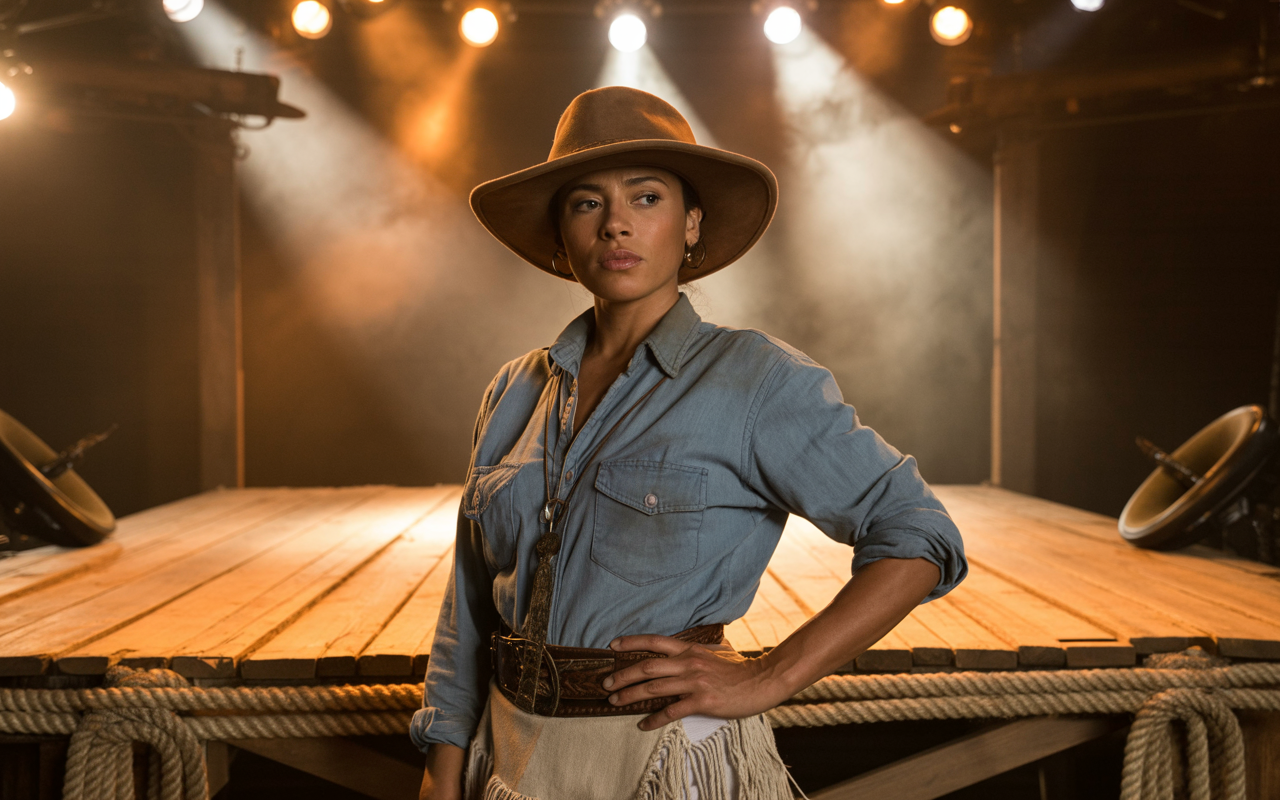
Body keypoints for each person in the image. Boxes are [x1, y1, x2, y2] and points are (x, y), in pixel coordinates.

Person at [412, 86, 967, 800]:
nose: (616, 225)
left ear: (692, 223)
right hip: (512, 753)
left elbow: (918, 534)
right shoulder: (514, 389)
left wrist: (771, 675)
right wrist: (442, 768)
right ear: (561, 235)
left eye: (646, 199)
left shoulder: (757, 380)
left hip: (666, 756)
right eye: (587, 203)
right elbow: (468, 602)